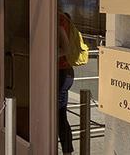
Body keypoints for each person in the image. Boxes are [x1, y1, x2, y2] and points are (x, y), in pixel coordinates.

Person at [57, 12, 75, 155]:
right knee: (60, 115)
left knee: (59, 116)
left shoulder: (58, 19)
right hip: (65, 72)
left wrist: (47, 53)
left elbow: (66, 48)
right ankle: (67, 151)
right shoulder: (64, 17)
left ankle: (67, 151)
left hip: (61, 72)